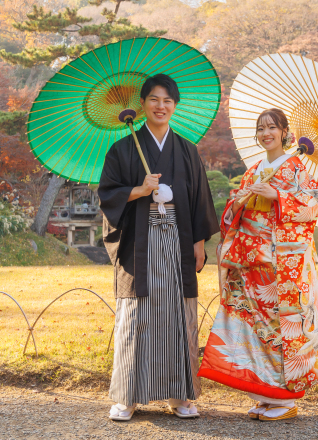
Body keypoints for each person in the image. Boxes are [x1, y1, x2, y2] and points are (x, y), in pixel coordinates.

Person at [198, 108, 318, 421]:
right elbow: (234, 209)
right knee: (257, 327)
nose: (266, 133)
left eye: (272, 128)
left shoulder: (296, 167)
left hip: (282, 265)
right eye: (261, 128)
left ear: (285, 132)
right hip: (251, 263)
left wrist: (278, 195)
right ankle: (264, 394)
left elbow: (312, 205)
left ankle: (285, 399)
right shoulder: (256, 168)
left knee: (280, 327)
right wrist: (241, 199)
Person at [98, 74, 220, 421]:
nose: (161, 106)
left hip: (178, 241)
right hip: (140, 240)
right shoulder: (123, 149)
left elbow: (199, 201)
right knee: (137, 317)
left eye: (167, 100)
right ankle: (127, 396)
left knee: (178, 316)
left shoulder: (185, 149)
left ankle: (180, 395)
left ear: (175, 105)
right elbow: (108, 194)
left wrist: (198, 242)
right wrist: (138, 189)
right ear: (143, 105)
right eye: (154, 99)